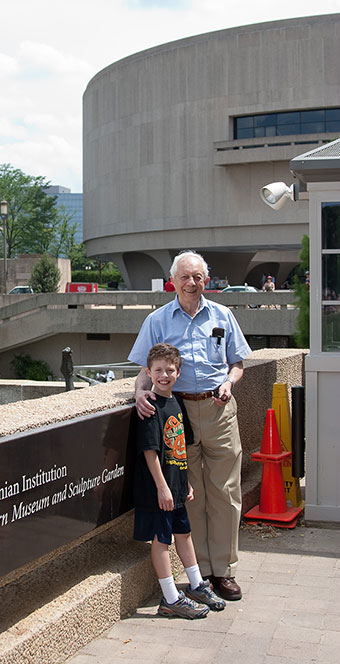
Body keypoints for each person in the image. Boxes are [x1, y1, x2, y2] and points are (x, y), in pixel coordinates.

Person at [128, 250, 252, 601]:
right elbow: (143, 369)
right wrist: (139, 394)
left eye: (197, 276)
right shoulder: (158, 320)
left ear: (206, 280)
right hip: (177, 414)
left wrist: (230, 382)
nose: (191, 282)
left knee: (225, 492)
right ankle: (198, 572)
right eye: (185, 276)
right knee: (188, 493)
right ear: (174, 280)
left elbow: (238, 363)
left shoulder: (223, 315)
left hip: (219, 410)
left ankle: (222, 570)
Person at [133, 343, 225, 619]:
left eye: (169, 370)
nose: (164, 375)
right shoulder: (150, 408)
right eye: (158, 370)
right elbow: (150, 452)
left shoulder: (177, 403)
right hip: (158, 490)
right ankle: (170, 598)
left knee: (184, 533)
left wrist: (185, 483)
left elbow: (181, 447)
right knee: (161, 540)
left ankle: (196, 584)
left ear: (178, 372)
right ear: (148, 372)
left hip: (177, 486)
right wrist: (162, 487)